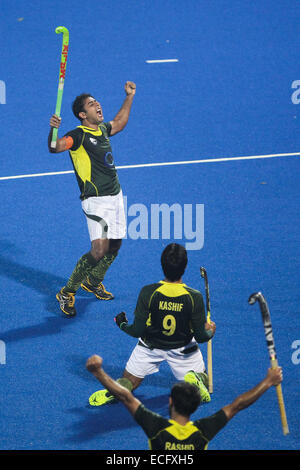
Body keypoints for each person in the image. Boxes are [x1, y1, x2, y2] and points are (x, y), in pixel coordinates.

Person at [48, 81, 136, 317]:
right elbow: (55, 147)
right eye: (91, 104)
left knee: (115, 244)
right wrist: (53, 130)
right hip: (95, 200)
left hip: (116, 195)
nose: (97, 104)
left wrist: (129, 96)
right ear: (81, 114)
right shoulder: (77, 136)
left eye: (96, 101)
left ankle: (94, 281)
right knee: (98, 250)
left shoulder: (103, 130)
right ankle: (67, 292)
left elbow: (119, 123)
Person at [88, 243, 216, 406]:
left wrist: (121, 324)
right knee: (203, 382)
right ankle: (196, 379)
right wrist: (210, 331)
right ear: (184, 267)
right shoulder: (194, 296)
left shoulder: (148, 292)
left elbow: (136, 330)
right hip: (183, 349)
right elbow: (200, 336)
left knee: (129, 382)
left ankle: (117, 389)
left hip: (149, 347)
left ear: (162, 265)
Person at [86, 354, 283, 450]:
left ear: (170, 402)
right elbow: (238, 404)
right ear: (196, 406)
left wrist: (98, 372)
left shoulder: (156, 427)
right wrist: (268, 381)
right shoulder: (203, 431)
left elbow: (125, 396)